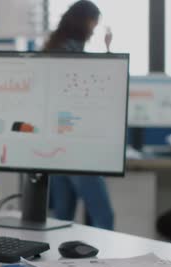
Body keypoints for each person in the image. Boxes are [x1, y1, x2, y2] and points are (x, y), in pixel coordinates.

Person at [43, 0, 115, 230]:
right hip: (77, 146)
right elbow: (98, 89)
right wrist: (108, 53)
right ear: (86, 21)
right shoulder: (71, 52)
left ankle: (55, 263)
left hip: (56, 145)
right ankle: (103, 264)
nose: (95, 27)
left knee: (61, 218)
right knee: (103, 215)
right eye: (94, 22)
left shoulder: (55, 47)